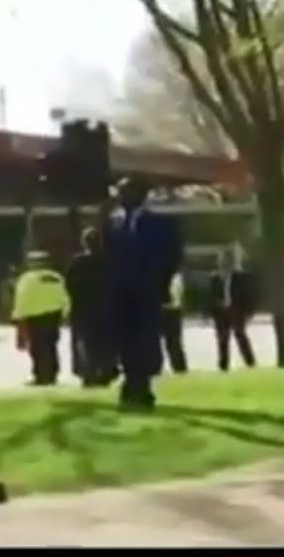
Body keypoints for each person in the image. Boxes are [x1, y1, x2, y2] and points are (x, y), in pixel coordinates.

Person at [103, 177, 183, 412]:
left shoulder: (159, 224)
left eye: (125, 193)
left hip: (147, 290)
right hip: (120, 293)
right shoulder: (114, 224)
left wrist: (161, 282)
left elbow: (173, 254)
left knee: (145, 340)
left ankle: (142, 387)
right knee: (125, 340)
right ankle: (130, 383)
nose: (120, 198)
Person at [65, 227, 115, 388]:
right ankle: (106, 371)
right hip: (106, 308)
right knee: (106, 342)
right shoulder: (109, 261)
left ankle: (88, 373)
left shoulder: (78, 263)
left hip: (83, 309)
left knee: (85, 343)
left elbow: (70, 285)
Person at [11, 251, 69, 386]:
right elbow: (65, 296)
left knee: (37, 347)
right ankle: (52, 373)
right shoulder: (56, 277)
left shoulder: (27, 279)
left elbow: (22, 298)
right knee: (50, 345)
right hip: (53, 316)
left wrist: (18, 316)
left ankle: (40, 375)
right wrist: (65, 313)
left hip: (35, 316)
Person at [207, 249, 257, 371]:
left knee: (240, 334)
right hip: (220, 311)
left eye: (225, 262)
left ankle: (250, 361)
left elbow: (247, 295)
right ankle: (223, 364)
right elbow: (210, 296)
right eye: (221, 262)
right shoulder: (215, 277)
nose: (222, 264)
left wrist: (249, 311)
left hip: (236, 310)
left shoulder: (239, 277)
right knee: (222, 338)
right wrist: (210, 311)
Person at [159, 270, 189, 374]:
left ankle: (179, 368)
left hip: (171, 311)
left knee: (174, 342)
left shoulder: (175, 276)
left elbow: (178, 294)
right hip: (159, 310)